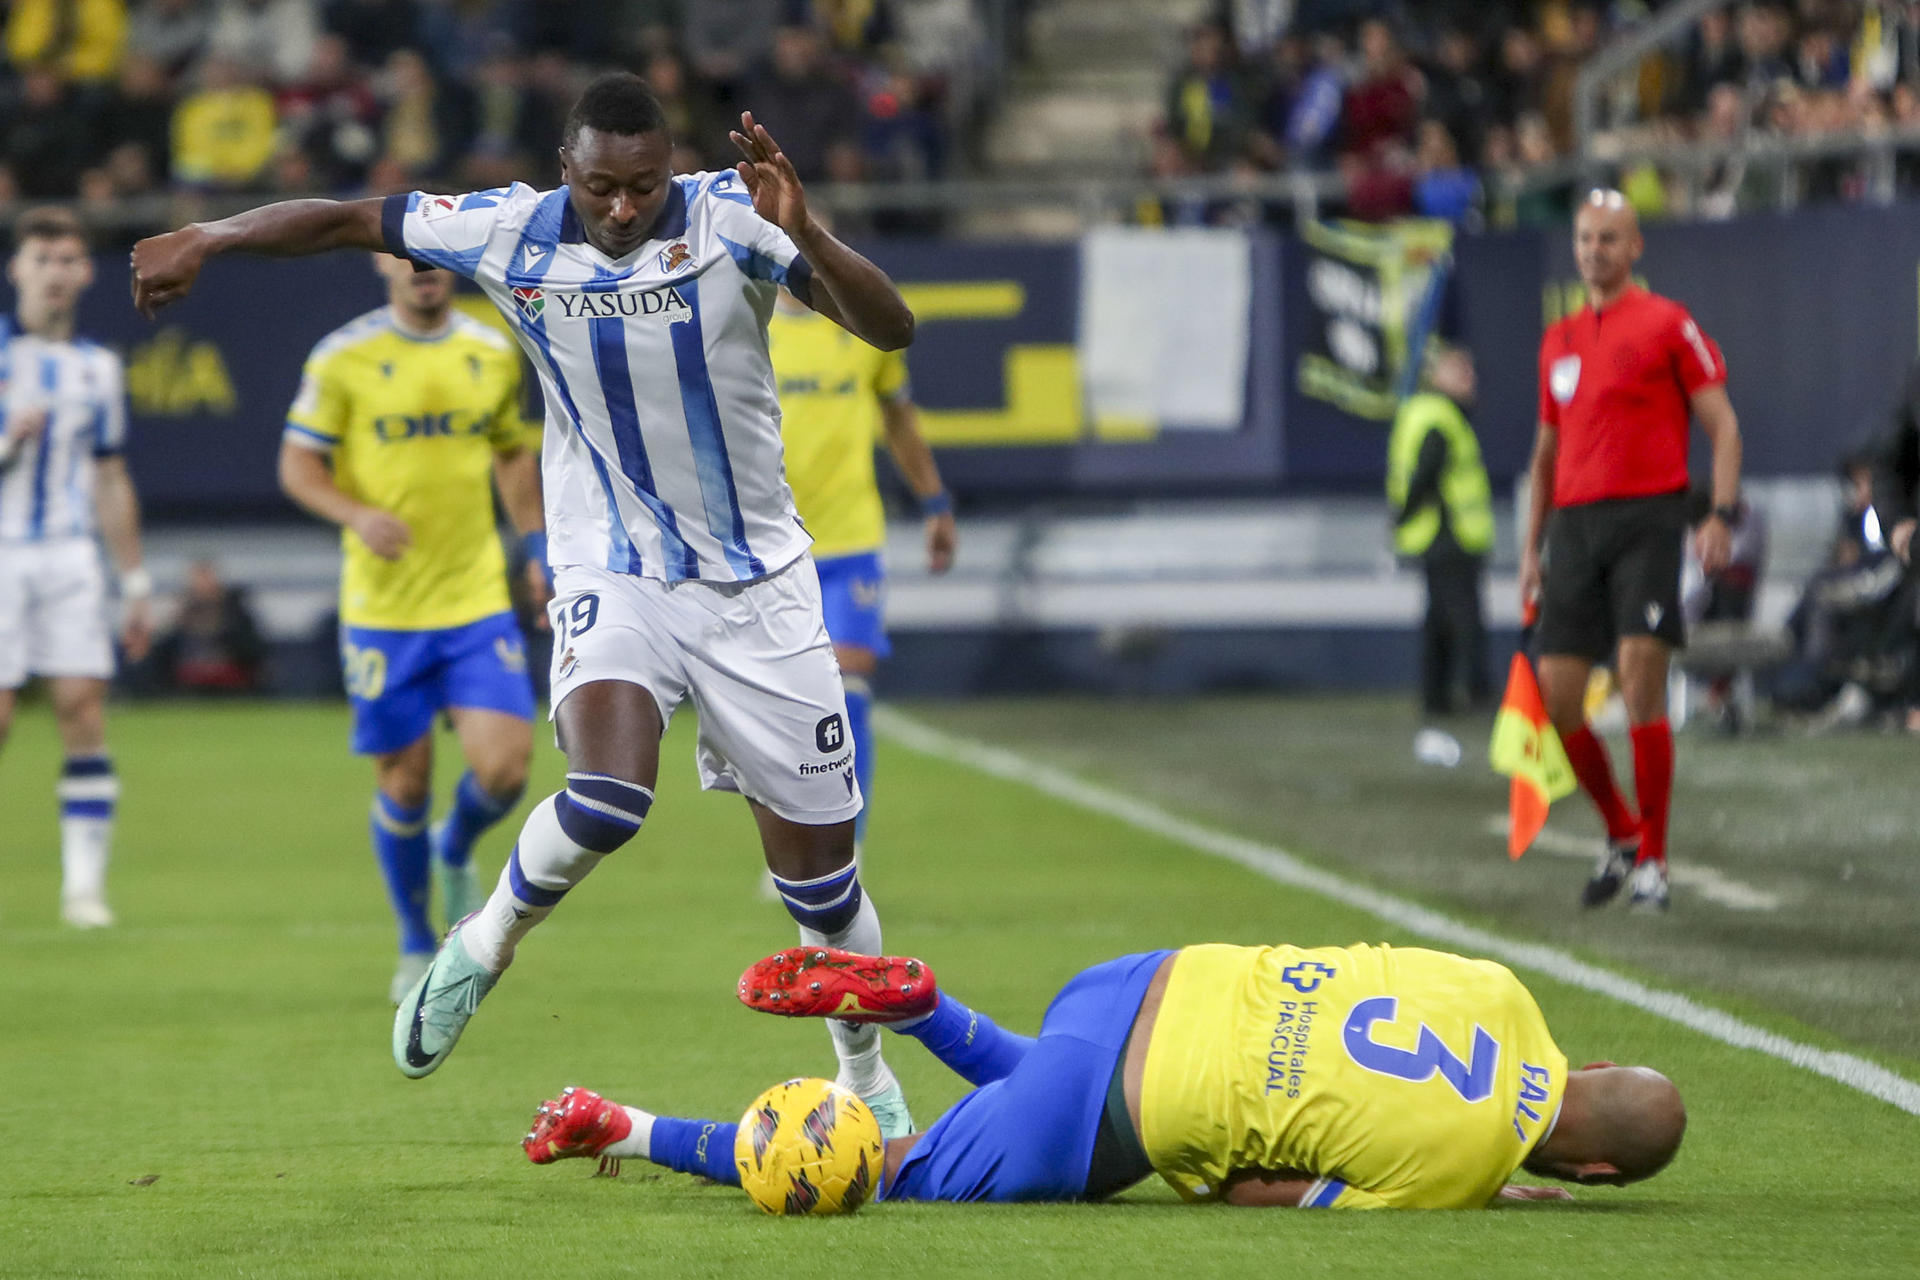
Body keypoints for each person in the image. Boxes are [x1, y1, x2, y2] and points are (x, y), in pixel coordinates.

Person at [130, 73, 921, 1133]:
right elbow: (344, 219)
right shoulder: (506, 229)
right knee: (606, 797)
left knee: (821, 886)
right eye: (602, 185)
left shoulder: (737, 217)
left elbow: (892, 326)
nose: (625, 207)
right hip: (611, 565)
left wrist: (810, 233)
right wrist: (208, 233)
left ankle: (864, 1075)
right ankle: (481, 942)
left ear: (668, 165)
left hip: (759, 583)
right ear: (566, 169)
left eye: (643, 185)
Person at [524, 942, 1686, 1210]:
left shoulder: (1500, 991)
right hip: (1118, 1112)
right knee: (874, 1174)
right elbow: (1252, 1192)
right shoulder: (1463, 1168)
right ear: (1586, 1162)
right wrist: (1488, 1178)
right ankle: (617, 1123)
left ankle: (925, 1007)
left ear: (1588, 1061)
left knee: (1059, 1079)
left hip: (1149, 976)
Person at [277, 253, 546, 1003]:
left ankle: (455, 843)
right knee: (405, 780)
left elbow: (512, 457)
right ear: (378, 261)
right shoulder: (343, 357)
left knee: (507, 770)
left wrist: (538, 552)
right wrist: (356, 513)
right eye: (405, 253)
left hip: (474, 599)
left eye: (433, 255)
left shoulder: (491, 351)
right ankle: (413, 940)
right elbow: (298, 467)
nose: (421, 267)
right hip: (383, 612)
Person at [1519, 189, 1743, 913]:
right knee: (1557, 700)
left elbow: (1725, 427)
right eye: (1585, 238)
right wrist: (1530, 549)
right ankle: (1620, 829)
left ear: (1636, 247)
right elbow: (1546, 450)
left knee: (1641, 681)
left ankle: (1655, 859)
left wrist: (1721, 516)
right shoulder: (1559, 339)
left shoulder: (1668, 324)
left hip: (1649, 517)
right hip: (1573, 530)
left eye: (1610, 238)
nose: (1595, 251)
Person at [0, 205, 153, 928]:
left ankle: (84, 889)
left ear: (85, 273)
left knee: (82, 710)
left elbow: (110, 477)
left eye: (67, 260)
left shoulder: (98, 368)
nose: (56, 273)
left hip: (69, 556)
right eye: (42, 260)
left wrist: (135, 582)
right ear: (16, 270)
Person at [768, 270, 955, 851]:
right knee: (788, 711)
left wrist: (935, 501)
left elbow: (900, 418)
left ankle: (844, 848)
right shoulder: (746, 326)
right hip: (771, 549)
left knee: (847, 692)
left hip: (851, 543)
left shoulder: (862, 333)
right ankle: (799, 840)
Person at [1386, 343, 1493, 720]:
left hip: (1436, 533)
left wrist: (1400, 520)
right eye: (1461, 372)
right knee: (1463, 619)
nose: (1471, 380)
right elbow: (1425, 474)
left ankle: (1436, 697)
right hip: (1449, 534)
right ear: (1438, 376)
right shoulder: (1440, 416)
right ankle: (1476, 693)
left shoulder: (1424, 411)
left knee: (1439, 620)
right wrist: (1403, 516)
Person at [149, 557, 265, 693]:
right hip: (188, 673)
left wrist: (223, 626)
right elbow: (162, 649)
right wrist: (175, 621)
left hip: (229, 674)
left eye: (207, 577)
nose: (203, 584)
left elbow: (253, 648)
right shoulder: (183, 611)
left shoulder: (235, 610)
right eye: (198, 578)